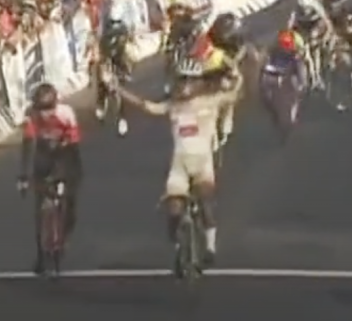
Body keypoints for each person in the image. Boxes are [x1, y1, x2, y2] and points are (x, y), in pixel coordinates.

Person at [109, 67, 241, 267]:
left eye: (191, 81)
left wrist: (238, 76)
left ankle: (210, 247)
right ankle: (180, 246)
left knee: (206, 203)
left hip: (202, 164)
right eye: (182, 81)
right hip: (179, 165)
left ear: (199, 84)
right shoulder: (172, 106)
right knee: (174, 210)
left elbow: (235, 95)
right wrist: (118, 89)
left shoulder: (211, 100)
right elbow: (146, 105)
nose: (186, 86)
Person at [17, 83, 84, 275]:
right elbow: (27, 145)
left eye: (48, 109)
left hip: (65, 155)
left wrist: (72, 176)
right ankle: (40, 255)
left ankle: (65, 236)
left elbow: (73, 147)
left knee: (70, 206)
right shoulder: (31, 115)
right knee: (40, 207)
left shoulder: (67, 114)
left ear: (56, 105)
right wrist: (23, 175)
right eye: (41, 110)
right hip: (43, 157)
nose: (44, 114)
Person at [289, 0, 332, 90]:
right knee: (304, 51)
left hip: (316, 25)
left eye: (306, 8)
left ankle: (317, 76)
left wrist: (324, 38)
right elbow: (290, 24)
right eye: (302, 8)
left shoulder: (316, 6)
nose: (304, 10)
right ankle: (312, 76)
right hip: (303, 27)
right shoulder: (297, 8)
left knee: (315, 48)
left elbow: (328, 23)